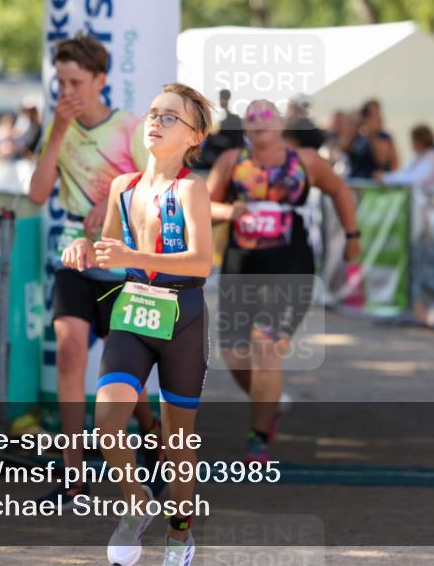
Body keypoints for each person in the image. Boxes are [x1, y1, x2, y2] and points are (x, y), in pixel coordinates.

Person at [62, 83, 212, 566]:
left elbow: (201, 263)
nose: (156, 122)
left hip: (182, 315)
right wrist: (87, 250)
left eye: (171, 117)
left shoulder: (190, 189)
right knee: (107, 420)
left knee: (177, 443)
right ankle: (136, 502)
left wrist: (132, 255)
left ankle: (179, 535)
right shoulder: (123, 186)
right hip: (133, 309)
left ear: (195, 136)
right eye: (153, 113)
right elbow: (108, 248)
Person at [27, 34, 160, 508]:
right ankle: (74, 475)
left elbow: (158, 189)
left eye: (77, 82)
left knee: (128, 377)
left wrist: (113, 200)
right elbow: (38, 194)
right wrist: (58, 133)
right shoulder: (56, 128)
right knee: (69, 356)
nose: (68, 91)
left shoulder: (129, 128)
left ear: (101, 79)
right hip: (73, 259)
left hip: (123, 264)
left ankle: (152, 433)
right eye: (60, 82)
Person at [207, 99, 360, 464]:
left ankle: (258, 439)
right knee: (234, 353)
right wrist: (229, 211)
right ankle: (270, 405)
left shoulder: (305, 160)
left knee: (266, 345)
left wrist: (353, 236)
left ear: (279, 124)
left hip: (290, 265)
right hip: (241, 266)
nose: (260, 123)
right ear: (245, 127)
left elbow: (339, 190)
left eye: (267, 116)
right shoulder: (232, 163)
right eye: (252, 118)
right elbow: (202, 206)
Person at [375, 124, 434, 189]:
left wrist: (385, 178)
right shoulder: (423, 157)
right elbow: (405, 172)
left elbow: (414, 179)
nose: (412, 145)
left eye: (413, 141)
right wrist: (385, 176)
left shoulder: (432, 158)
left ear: (420, 142)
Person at [347, 99, 399, 178]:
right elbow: (343, 150)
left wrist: (371, 134)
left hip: (374, 184)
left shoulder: (384, 137)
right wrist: (356, 126)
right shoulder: (358, 136)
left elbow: (381, 160)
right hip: (356, 180)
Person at [193, 88, 244, 169]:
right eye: (220, 98)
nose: (221, 100)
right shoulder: (221, 118)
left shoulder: (234, 119)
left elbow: (237, 141)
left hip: (228, 152)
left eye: (222, 98)